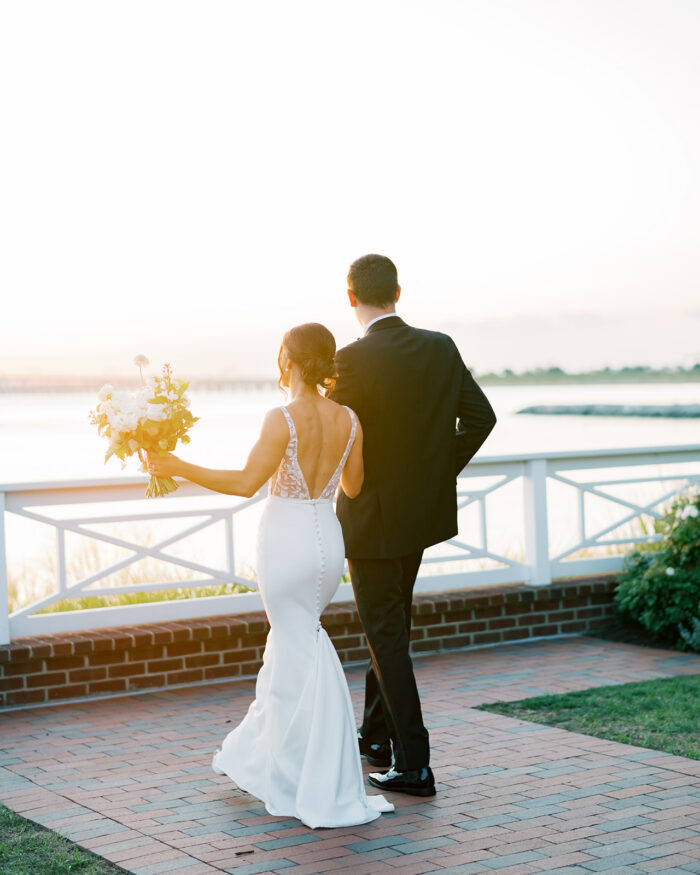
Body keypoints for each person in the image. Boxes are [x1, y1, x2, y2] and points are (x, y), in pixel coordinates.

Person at [146, 322, 393, 828]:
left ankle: (311, 775)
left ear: (291, 361)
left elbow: (244, 483)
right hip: (327, 538)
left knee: (298, 645)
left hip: (286, 542)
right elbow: (354, 484)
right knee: (298, 643)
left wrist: (176, 464)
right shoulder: (349, 417)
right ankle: (289, 763)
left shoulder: (281, 417)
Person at [329, 254, 497, 797]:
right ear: (398, 291)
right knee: (392, 628)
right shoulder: (439, 346)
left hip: (371, 518)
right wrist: (434, 471)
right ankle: (376, 736)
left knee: (386, 635)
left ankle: (414, 764)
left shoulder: (349, 360)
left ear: (350, 297)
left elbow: (336, 440)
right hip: (419, 516)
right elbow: (482, 418)